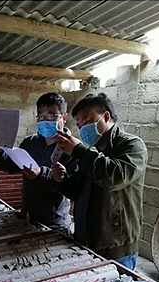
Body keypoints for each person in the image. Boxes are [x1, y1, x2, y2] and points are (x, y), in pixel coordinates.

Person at [51, 92, 147, 270]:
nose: (83, 129)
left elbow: (115, 177)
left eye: (86, 121)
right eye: (79, 126)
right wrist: (63, 180)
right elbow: (81, 191)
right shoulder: (91, 150)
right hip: (86, 239)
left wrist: (79, 151)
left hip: (115, 246)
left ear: (106, 117)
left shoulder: (132, 145)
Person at [0, 92, 77, 230]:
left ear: (64, 117)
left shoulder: (72, 148)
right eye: (40, 116)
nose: (44, 120)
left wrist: (41, 174)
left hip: (54, 222)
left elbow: (72, 188)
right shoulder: (30, 143)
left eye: (50, 116)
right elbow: (11, 166)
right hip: (28, 216)